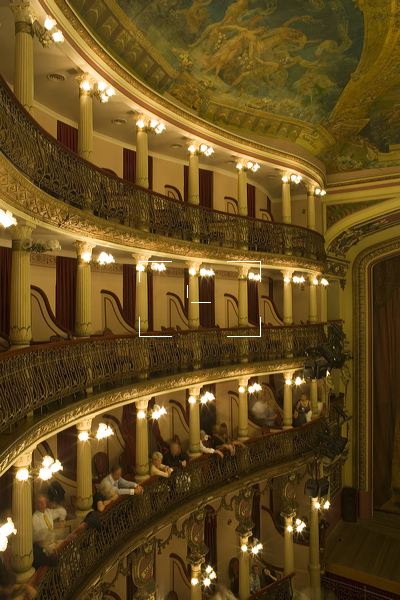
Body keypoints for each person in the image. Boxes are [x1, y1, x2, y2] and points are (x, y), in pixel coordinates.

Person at [32, 494, 67, 566]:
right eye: (40, 502)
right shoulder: (34, 518)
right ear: (36, 505)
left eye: (44, 502)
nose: (43, 504)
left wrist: (55, 506)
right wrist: (50, 533)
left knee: (68, 545)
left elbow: (62, 511)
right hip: (44, 546)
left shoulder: (48, 512)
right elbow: (37, 538)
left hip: (53, 542)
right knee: (59, 554)